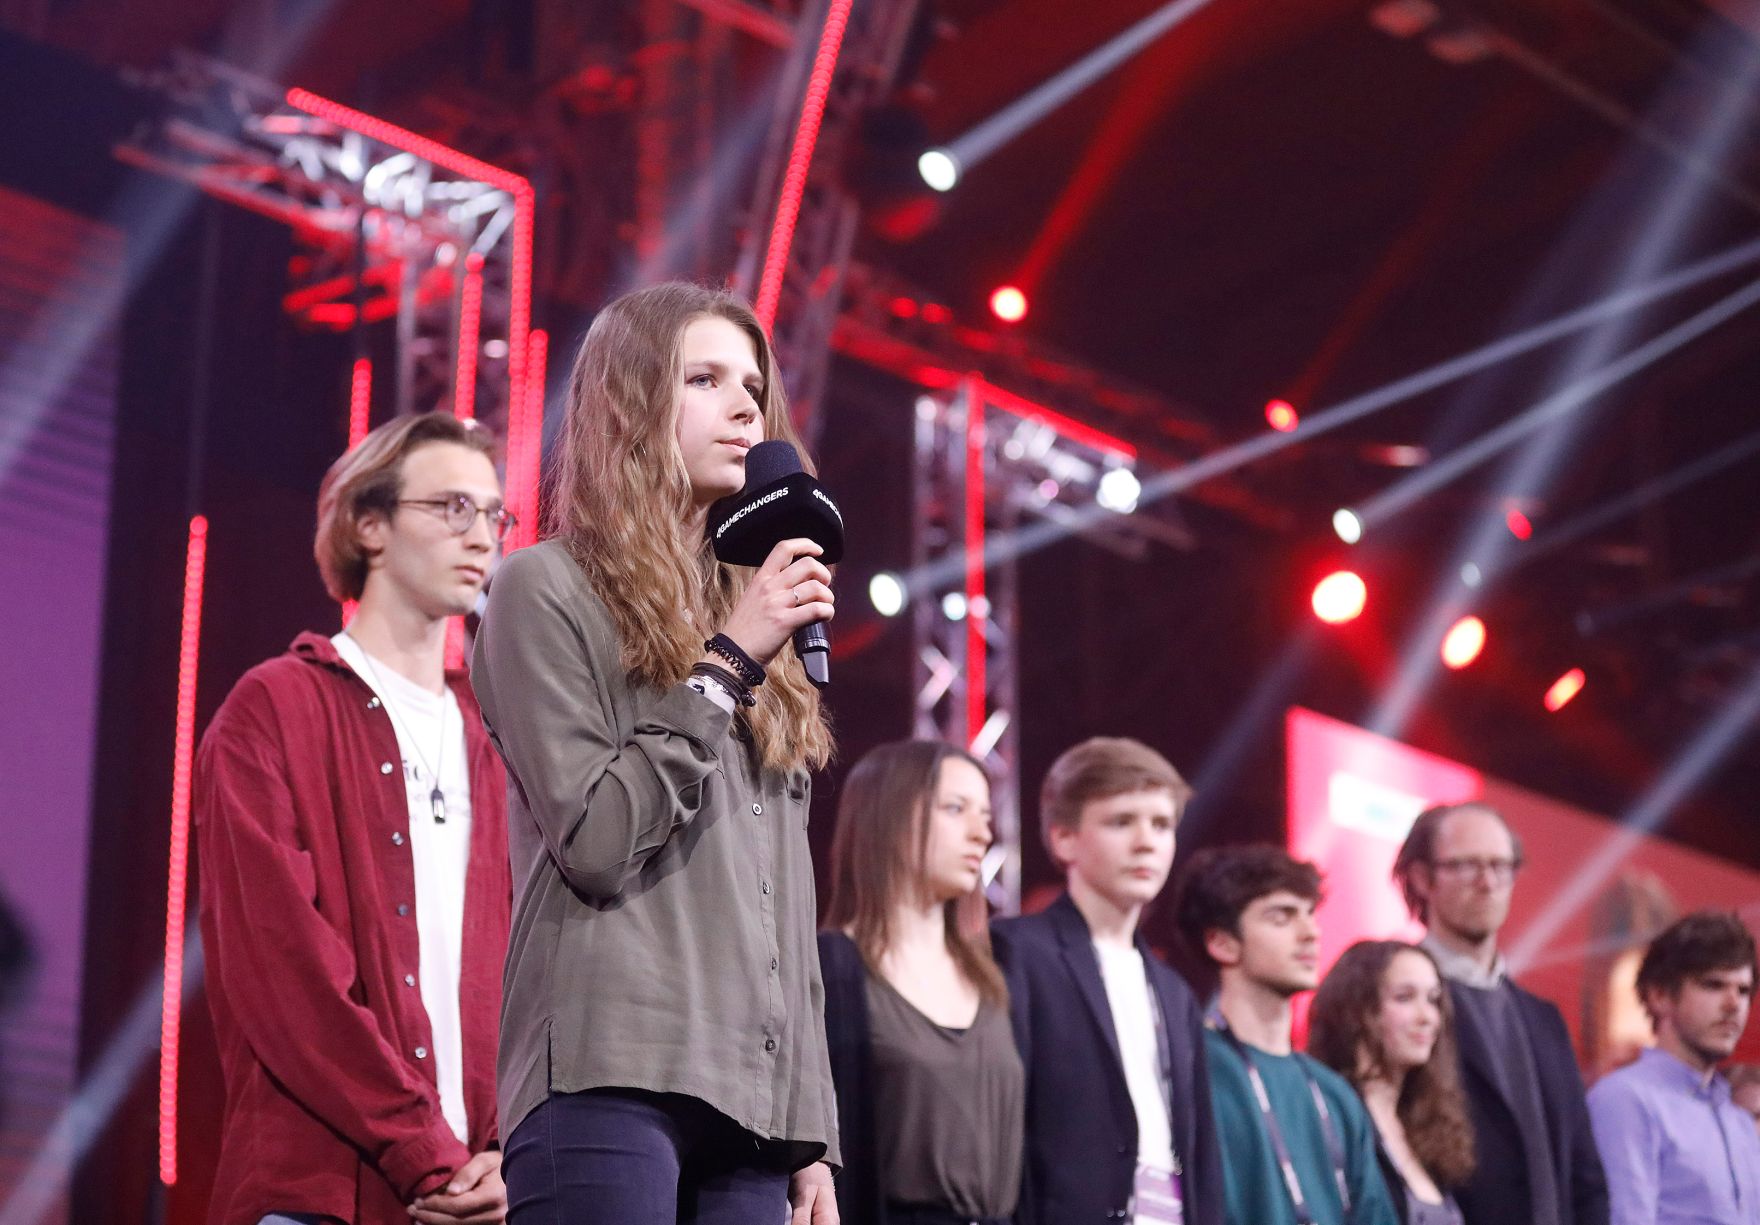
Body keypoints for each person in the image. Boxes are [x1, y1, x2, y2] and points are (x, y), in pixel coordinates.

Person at [471, 281, 839, 1225]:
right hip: (607, 1070)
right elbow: (593, 838)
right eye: (705, 378)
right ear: (633, 406)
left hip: (755, 1109)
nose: (745, 405)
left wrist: (815, 1136)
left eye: (752, 384)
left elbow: (786, 902)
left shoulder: (756, 617)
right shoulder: (543, 587)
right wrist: (724, 667)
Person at [194, 412, 513, 1225]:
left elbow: (535, 978)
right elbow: (282, 972)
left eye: (493, 513)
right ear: (369, 523)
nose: (481, 534)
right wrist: (422, 1152)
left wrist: (510, 1154)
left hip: (485, 1196)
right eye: (451, 507)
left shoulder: (498, 736)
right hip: (323, 1195)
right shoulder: (272, 708)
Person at [991, 736, 1224, 1225]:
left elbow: (1200, 1148)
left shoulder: (1174, 992)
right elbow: (1001, 1124)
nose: (1147, 841)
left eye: (1162, 824)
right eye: (1122, 822)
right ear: (1064, 838)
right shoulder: (1017, 952)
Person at [818, 740, 1023, 1225]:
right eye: (956, 809)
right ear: (888, 816)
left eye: (986, 815)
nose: (982, 834)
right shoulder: (831, 970)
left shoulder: (993, 976)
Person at [1393, 803, 1608, 1225]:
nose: (1487, 882)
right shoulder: (1397, 999)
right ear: (1421, 877)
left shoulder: (1543, 1019)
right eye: (1466, 866)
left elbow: (1584, 1171)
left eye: (1500, 866)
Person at [1172, 844, 1398, 1225]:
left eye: (1310, 914)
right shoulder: (1188, 1069)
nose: (1310, 933)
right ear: (1221, 942)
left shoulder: (1335, 1095)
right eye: (1281, 917)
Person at [1587, 910, 1760, 1224]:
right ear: (1660, 996)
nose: (1734, 1004)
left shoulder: (1740, 1123)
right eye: (1713, 985)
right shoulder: (1624, 1099)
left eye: (1744, 990)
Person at [1308, 941, 1475, 1225]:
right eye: (1404, 997)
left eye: (1433, 1000)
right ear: (1358, 1011)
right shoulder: (1328, 1117)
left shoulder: (1424, 1127)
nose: (1427, 1017)